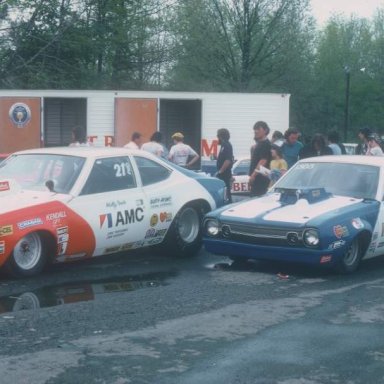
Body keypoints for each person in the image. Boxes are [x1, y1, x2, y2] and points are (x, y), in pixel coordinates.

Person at [249, 121, 272, 197]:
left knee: (256, 201)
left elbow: (263, 161)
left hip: (261, 179)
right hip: (258, 179)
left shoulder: (266, 144)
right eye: (255, 129)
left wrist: (253, 175)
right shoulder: (259, 144)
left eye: (258, 129)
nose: (256, 131)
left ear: (265, 130)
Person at [215, 128, 234, 203]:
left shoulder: (227, 145)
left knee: (226, 194)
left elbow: (228, 160)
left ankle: (228, 207)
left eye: (218, 136)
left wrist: (220, 171)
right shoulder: (223, 145)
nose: (217, 138)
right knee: (224, 193)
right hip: (223, 174)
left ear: (220, 136)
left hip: (225, 175)